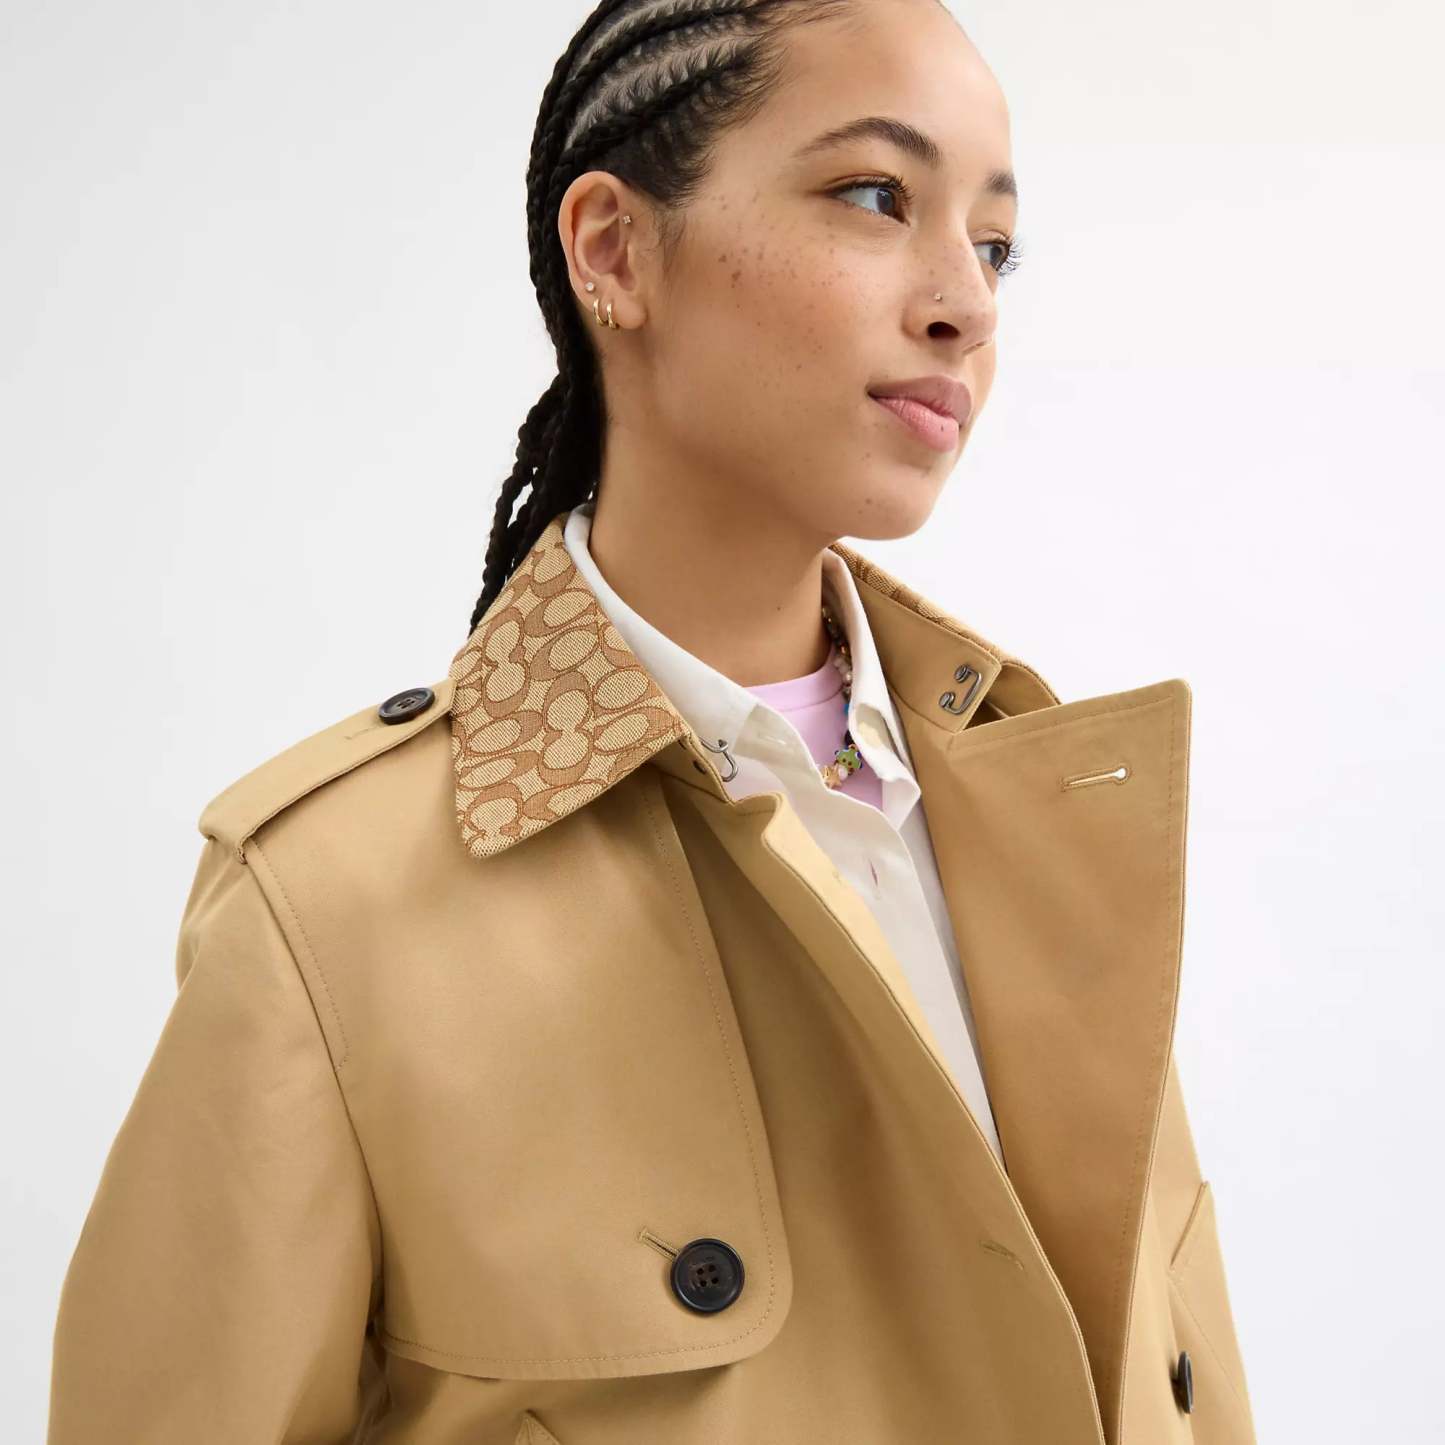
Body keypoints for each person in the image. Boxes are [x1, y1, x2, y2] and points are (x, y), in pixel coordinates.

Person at [47, 1, 1258, 1441]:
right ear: (614, 250)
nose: (966, 304)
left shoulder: (1044, 810)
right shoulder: (333, 907)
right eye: (876, 197)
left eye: (994, 244)